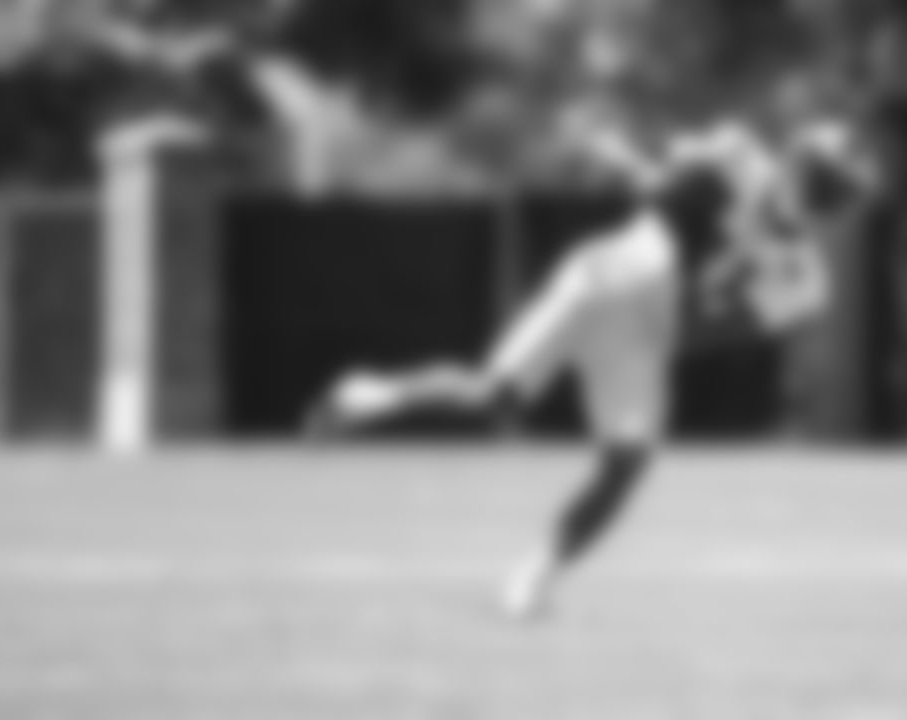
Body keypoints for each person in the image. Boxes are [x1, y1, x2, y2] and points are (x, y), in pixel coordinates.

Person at [302, 114, 864, 620]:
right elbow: (666, 190)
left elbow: (715, 330)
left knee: (626, 462)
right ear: (791, 160)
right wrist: (649, 173)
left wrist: (678, 300)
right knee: (495, 397)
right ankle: (365, 395)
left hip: (650, 326)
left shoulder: (805, 280)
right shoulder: (735, 156)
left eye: (823, 188)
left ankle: (535, 577)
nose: (805, 188)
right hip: (611, 270)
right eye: (809, 173)